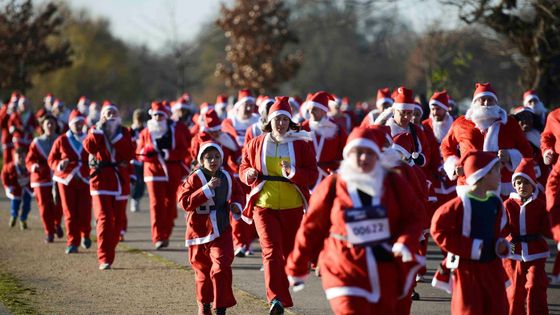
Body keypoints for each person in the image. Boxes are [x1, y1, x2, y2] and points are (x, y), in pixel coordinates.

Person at [285, 127, 424, 315]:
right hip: (343, 268)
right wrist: (296, 265)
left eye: (369, 153)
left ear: (378, 156)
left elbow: (414, 216)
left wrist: (405, 241)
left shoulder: (392, 181)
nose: (364, 158)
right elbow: (311, 227)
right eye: (358, 153)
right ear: (348, 156)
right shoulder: (333, 184)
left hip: (385, 268)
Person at [239, 96, 318, 314]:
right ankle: (276, 299)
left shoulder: (301, 144)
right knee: (271, 252)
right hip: (264, 205)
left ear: (290, 121)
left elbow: (312, 173)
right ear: (269, 121)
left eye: (285, 119)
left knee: (290, 252)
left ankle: (282, 293)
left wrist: (293, 172)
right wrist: (248, 173)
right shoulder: (256, 143)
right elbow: (243, 166)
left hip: (293, 206)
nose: (281, 123)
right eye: (277, 119)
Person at [431, 150, 510, 315]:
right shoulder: (459, 205)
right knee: (469, 310)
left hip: (492, 269)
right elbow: (438, 230)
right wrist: (470, 247)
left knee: (498, 308)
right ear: (483, 175)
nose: (500, 175)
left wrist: (499, 244)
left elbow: (497, 232)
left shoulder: (495, 203)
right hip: (468, 271)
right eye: (496, 171)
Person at [178, 141, 245, 315]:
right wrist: (206, 189)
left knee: (222, 265)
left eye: (216, 157)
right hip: (197, 232)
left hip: (221, 229)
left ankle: (221, 306)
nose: (213, 161)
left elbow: (238, 193)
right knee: (202, 273)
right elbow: (184, 202)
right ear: (201, 160)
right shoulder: (194, 177)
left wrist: (237, 205)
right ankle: (204, 304)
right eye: (208, 157)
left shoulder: (227, 176)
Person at [441, 82, 532, 197]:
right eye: (482, 99)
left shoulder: (509, 123)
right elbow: (446, 147)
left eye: (490, 99)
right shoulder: (461, 123)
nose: (486, 103)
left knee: (503, 215)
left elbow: (527, 150)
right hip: (469, 184)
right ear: (474, 103)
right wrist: (454, 166)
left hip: (503, 185)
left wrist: (511, 156)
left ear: (496, 103)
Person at [83, 101, 134, 270]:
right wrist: (99, 131)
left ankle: (109, 249)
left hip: (120, 180)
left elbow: (129, 153)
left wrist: (115, 136)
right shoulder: (95, 131)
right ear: (102, 116)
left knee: (118, 222)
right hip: (101, 181)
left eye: (114, 113)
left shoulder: (124, 131)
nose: (111, 116)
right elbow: (89, 147)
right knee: (104, 218)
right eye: (108, 113)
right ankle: (104, 257)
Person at [137, 101, 189, 249]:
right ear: (151, 116)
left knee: (170, 204)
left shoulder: (175, 130)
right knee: (156, 204)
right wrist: (146, 153)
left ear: (166, 116)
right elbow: (139, 153)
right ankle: (158, 236)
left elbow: (184, 151)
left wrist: (167, 154)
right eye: (155, 115)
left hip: (172, 171)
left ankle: (166, 232)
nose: (158, 118)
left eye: (161, 115)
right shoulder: (146, 132)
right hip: (153, 172)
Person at [503, 158, 551, 315]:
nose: (522, 186)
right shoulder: (508, 204)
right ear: (514, 185)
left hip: (536, 252)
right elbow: (500, 228)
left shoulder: (540, 204)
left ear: (533, 185)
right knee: (514, 290)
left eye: (526, 183)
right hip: (512, 251)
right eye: (518, 183)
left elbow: (548, 228)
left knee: (535, 285)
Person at [49, 110, 92, 254]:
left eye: (81, 123)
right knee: (69, 212)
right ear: (70, 124)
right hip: (66, 180)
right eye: (76, 123)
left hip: (85, 179)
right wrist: (60, 164)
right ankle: (72, 242)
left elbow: (97, 156)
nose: (79, 126)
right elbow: (51, 159)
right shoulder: (62, 140)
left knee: (85, 211)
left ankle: (85, 233)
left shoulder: (89, 138)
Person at [26, 114, 63, 243]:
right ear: (42, 125)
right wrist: (33, 166)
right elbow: (29, 160)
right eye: (47, 123)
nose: (50, 126)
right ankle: (49, 232)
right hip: (40, 179)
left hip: (57, 177)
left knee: (58, 205)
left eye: (52, 123)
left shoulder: (60, 140)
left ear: (56, 125)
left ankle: (57, 224)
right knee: (44, 207)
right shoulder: (37, 142)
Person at [301, 91, 347, 190]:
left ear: (324, 111)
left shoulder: (337, 129)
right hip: (309, 175)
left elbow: (344, 154)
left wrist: (339, 172)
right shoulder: (302, 128)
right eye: (309, 109)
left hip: (330, 175)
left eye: (314, 109)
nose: (311, 112)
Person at [2, 145, 32, 229]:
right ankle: (14, 216)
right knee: (15, 204)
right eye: (19, 157)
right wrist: (7, 186)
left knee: (27, 205)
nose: (21, 159)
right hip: (16, 189)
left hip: (27, 189)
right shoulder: (11, 167)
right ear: (15, 157)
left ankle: (23, 219)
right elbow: (4, 175)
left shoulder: (29, 165)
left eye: (23, 157)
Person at [129, 109, 146, 212]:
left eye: (140, 120)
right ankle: (134, 199)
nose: (139, 122)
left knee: (142, 182)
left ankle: (138, 198)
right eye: (137, 120)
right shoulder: (130, 130)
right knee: (135, 180)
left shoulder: (146, 130)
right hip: (134, 160)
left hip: (144, 160)